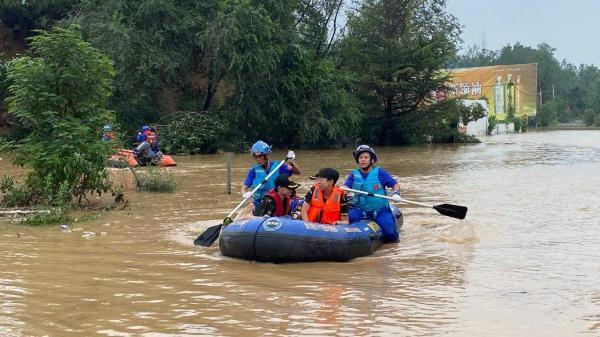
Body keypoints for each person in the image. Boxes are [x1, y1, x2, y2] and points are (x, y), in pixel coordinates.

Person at [343, 145, 402, 242]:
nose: (363, 160)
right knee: (345, 224)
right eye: (361, 157)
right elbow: (345, 188)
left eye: (366, 157)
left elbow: (395, 184)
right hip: (359, 210)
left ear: (372, 160)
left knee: (391, 235)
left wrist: (396, 193)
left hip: (380, 211)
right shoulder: (354, 174)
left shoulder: (380, 173)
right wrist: (340, 191)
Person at [241, 140, 301, 207]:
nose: (258, 159)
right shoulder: (253, 170)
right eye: (255, 157)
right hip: (259, 202)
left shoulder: (278, 167)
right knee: (249, 207)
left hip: (275, 201)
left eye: (260, 156)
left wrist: (292, 163)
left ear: (266, 155)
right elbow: (244, 187)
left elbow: (298, 172)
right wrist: (245, 194)